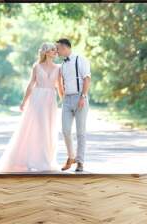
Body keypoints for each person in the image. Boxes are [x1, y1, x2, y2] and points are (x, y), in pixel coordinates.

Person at [0, 43, 64, 172]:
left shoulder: (58, 68)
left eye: (55, 50)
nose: (56, 52)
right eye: (53, 50)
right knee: (35, 128)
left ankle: (45, 160)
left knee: (49, 129)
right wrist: (23, 102)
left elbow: (59, 86)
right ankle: (30, 160)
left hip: (50, 101)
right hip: (37, 99)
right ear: (46, 52)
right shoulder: (37, 66)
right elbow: (31, 84)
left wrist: (64, 100)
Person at [56, 38, 91, 172]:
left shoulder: (80, 59)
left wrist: (83, 96)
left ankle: (80, 162)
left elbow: (87, 78)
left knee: (80, 132)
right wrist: (63, 97)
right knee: (65, 130)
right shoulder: (62, 65)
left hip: (79, 97)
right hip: (67, 100)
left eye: (58, 48)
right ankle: (71, 157)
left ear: (65, 48)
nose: (57, 51)